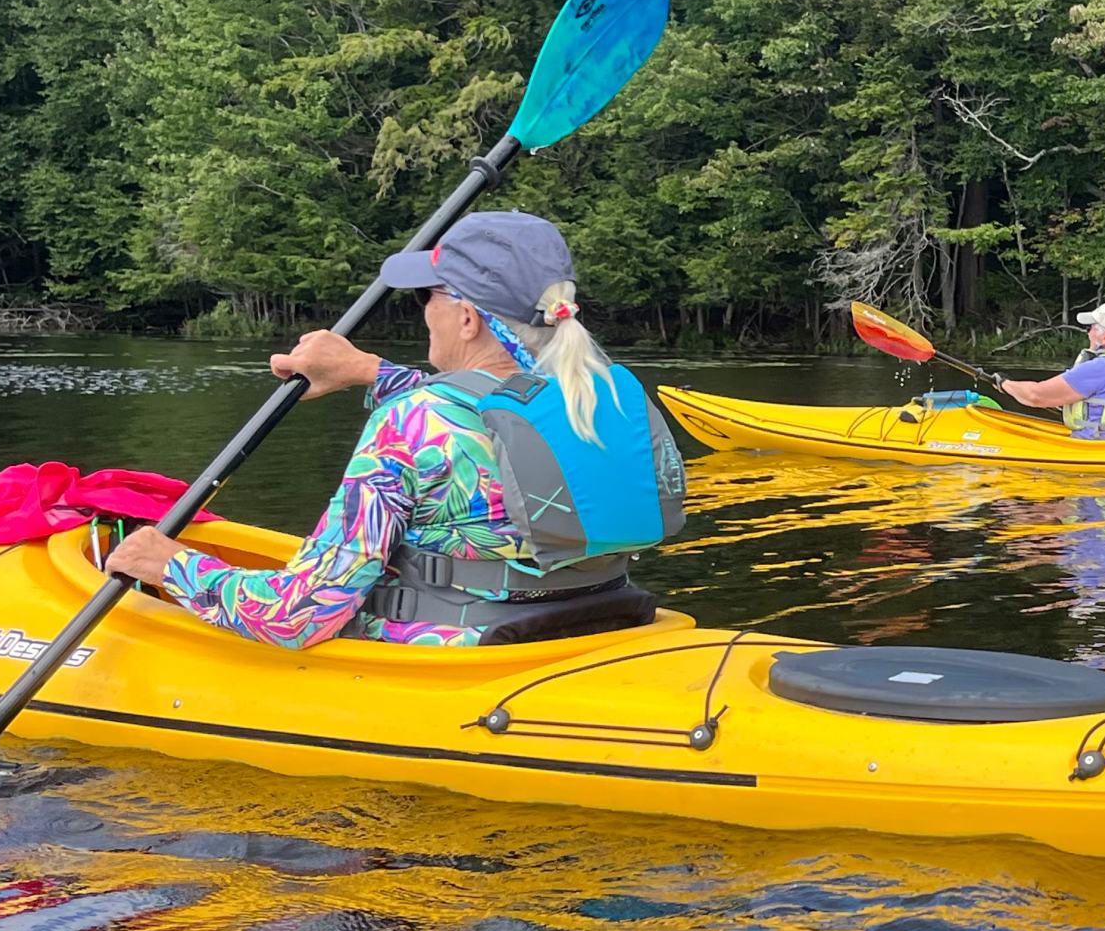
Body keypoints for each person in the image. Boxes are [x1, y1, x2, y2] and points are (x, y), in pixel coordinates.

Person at [102, 211, 684, 648]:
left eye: (427, 296)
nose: (420, 309)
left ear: (465, 316)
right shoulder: (605, 394)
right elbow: (497, 409)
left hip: (464, 652)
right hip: (603, 623)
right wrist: (366, 370)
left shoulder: (412, 424)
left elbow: (299, 617)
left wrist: (172, 565)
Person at [999, 302, 1105, 438]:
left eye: (1090, 329)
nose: (1088, 333)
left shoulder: (1101, 367)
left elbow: (1036, 396)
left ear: (1104, 337)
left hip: (1097, 448)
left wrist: (1004, 384)